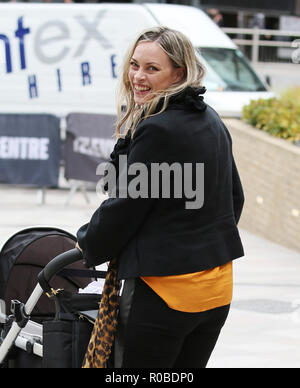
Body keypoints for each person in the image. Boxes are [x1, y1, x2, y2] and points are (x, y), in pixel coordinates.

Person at [76, 26, 244, 368]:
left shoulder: (159, 128)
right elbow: (234, 198)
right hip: (216, 290)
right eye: (134, 65)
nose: (138, 76)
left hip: (165, 294)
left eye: (152, 69)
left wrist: (88, 241)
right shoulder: (210, 119)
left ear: (178, 73)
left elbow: (124, 209)